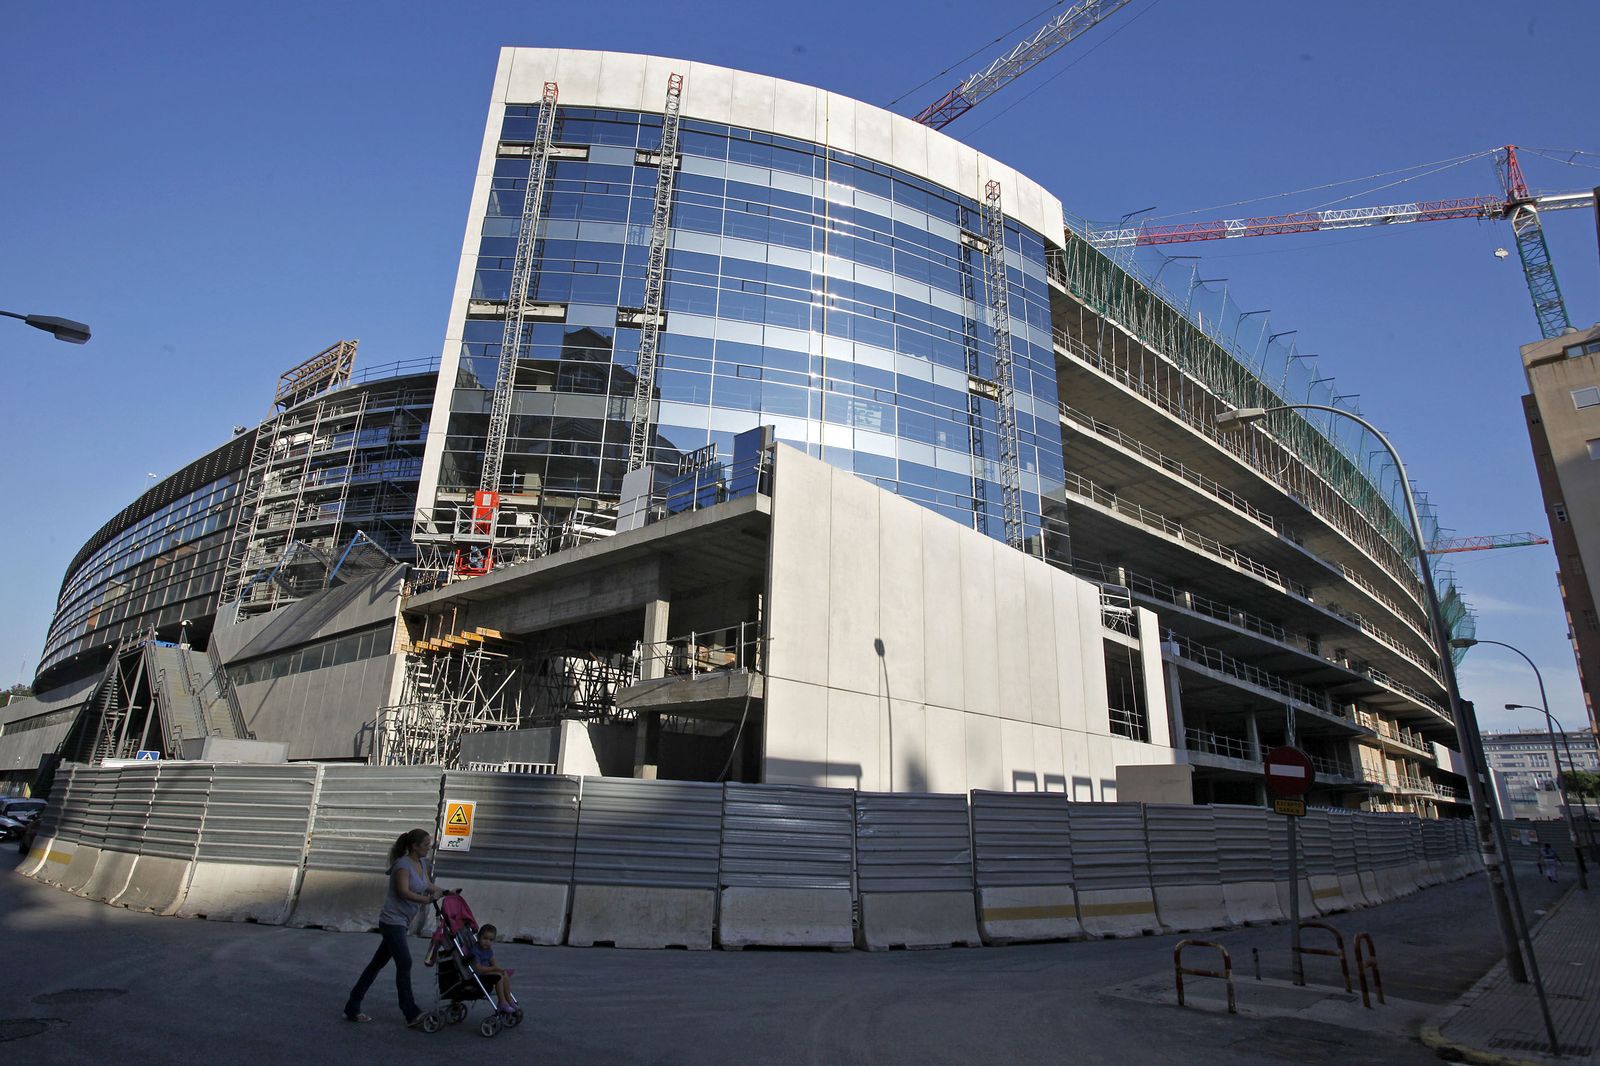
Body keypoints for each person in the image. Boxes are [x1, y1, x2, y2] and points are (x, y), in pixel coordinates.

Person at [343, 828, 446, 1026]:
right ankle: (411, 1012)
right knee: (404, 963)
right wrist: (427, 900)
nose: (429, 848)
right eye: (426, 845)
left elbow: (427, 885)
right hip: (392, 922)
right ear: (414, 846)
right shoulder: (402, 865)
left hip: (403, 921)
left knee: (375, 965)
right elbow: (403, 892)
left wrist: (447, 892)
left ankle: (352, 1006)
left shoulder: (420, 864)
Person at [467, 923, 517, 1015]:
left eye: (490, 940)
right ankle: (502, 1002)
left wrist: (500, 969)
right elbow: (478, 968)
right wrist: (495, 969)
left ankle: (509, 1000)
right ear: (478, 937)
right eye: (485, 938)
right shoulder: (475, 951)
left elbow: (494, 963)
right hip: (478, 975)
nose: (487, 942)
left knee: (503, 974)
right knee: (498, 976)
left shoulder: (489, 950)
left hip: (487, 972)